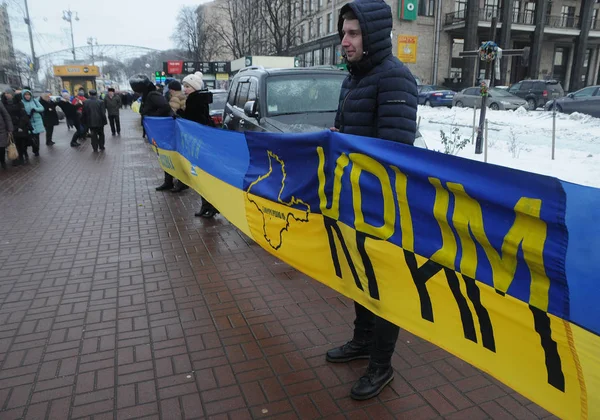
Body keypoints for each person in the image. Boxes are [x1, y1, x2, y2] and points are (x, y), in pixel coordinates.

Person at [326, 0, 418, 401]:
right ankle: (362, 341)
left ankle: (381, 364)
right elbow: (349, 131)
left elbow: (395, 151)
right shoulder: (354, 78)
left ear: (373, 36)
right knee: (360, 278)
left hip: (383, 208)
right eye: (343, 33)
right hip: (353, 202)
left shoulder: (395, 79)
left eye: (353, 33)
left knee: (384, 286)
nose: (344, 42)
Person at [180, 72, 218, 218]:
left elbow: (195, 120)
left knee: (202, 175)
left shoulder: (194, 100)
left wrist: (180, 114)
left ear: (195, 87)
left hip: (200, 142)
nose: (185, 89)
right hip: (204, 141)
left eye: (188, 86)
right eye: (184, 86)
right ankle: (207, 206)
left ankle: (209, 206)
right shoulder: (199, 98)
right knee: (203, 175)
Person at [129, 74, 173, 190]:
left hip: (163, 130)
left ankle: (172, 181)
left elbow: (165, 107)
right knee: (163, 156)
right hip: (158, 130)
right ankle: (168, 181)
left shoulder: (153, 95)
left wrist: (153, 117)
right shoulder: (147, 95)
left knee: (166, 155)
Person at [1, 88, 30, 165]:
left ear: (12, 94)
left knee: (21, 142)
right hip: (9, 126)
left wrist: (21, 125)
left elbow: (23, 115)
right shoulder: (3, 103)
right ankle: (15, 158)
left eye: (8, 93)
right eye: (5, 93)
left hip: (19, 125)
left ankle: (22, 156)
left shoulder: (19, 102)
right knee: (12, 143)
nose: (6, 95)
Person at [21, 89, 45, 157]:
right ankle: (26, 151)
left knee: (36, 137)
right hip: (28, 122)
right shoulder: (22, 102)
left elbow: (41, 108)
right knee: (29, 137)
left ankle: (36, 150)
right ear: (23, 96)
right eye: (25, 95)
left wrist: (35, 109)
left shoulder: (34, 101)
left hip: (37, 121)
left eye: (28, 94)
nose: (27, 96)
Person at [0, 99, 13, 169]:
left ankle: (2, 161)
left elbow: (6, 116)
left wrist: (10, 128)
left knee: (1, 147)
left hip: (1, 129)